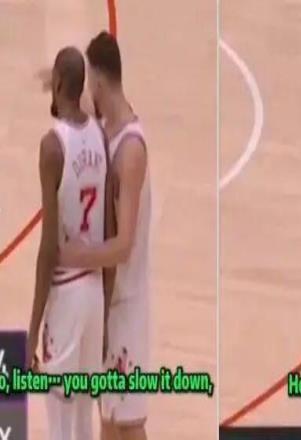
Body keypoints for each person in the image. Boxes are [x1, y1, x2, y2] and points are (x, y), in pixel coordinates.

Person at [59, 31, 151, 440]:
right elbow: (74, 101)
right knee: (113, 425)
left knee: (126, 426)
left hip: (126, 304)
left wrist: (73, 256)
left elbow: (123, 245)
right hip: (106, 301)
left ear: (97, 80)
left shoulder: (130, 150)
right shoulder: (105, 127)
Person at [27, 46, 114, 440]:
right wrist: (106, 310)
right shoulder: (100, 135)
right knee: (83, 423)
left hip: (65, 294)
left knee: (60, 425)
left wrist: (32, 330)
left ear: (58, 84)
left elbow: (48, 248)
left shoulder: (52, 146)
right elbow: (109, 229)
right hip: (94, 293)